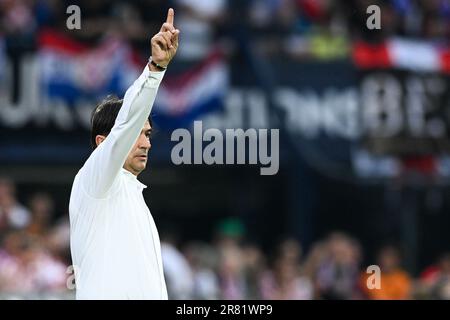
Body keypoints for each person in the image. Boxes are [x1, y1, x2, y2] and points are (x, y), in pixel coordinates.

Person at [68, 8, 179, 299]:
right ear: (103, 143)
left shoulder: (133, 197)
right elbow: (127, 122)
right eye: (138, 135)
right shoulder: (95, 183)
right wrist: (155, 67)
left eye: (148, 135)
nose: (147, 144)